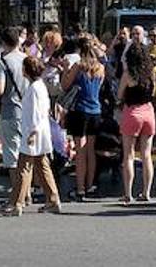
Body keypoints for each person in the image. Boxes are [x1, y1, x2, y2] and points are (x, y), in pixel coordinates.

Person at [0, 55, 62, 216]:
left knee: (23, 167)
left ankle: (17, 203)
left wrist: (32, 132)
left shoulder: (33, 88)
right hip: (41, 131)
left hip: (32, 131)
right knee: (42, 165)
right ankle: (53, 199)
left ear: (26, 70)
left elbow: (34, 112)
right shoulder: (40, 86)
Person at [59, 36, 104, 201]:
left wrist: (65, 69)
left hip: (80, 110)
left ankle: (80, 188)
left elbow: (65, 85)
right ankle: (90, 184)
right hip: (95, 110)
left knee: (80, 151)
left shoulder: (79, 66)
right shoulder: (100, 68)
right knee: (91, 150)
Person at [116, 41, 156, 205]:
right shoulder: (150, 72)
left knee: (129, 155)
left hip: (132, 112)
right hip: (148, 111)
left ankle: (128, 193)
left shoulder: (128, 74)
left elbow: (119, 95)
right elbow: (152, 91)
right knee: (147, 154)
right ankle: (146, 192)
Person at [0, 27, 27, 174]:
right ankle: (27, 192)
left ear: (3, 42)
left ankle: (17, 193)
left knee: (12, 156)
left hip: (10, 111)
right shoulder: (27, 59)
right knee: (26, 155)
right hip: (28, 111)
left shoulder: (3, 62)